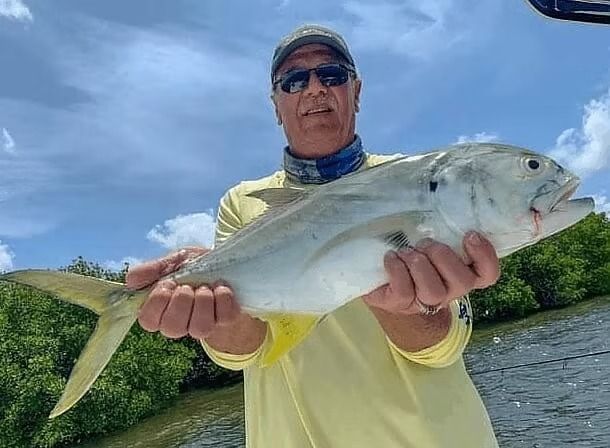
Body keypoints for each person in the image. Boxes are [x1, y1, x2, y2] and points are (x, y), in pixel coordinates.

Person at [127, 24, 501, 448]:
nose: (315, 89)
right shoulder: (245, 202)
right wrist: (208, 310)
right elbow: (243, 351)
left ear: (355, 91)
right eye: (294, 80)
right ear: (276, 105)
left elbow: (441, 345)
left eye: (332, 75)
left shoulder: (417, 179)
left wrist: (411, 309)